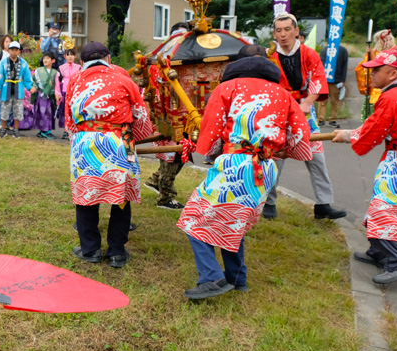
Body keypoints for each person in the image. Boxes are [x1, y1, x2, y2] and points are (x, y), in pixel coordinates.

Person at [176, 50, 313, 299]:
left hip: (236, 163)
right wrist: (281, 151)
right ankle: (237, 279)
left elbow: (210, 131)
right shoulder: (284, 95)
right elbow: (300, 137)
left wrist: (207, 151)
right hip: (265, 166)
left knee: (194, 217)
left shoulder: (227, 88)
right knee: (234, 219)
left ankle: (211, 278)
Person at [329, 49, 397, 284]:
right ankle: (379, 251)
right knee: (385, 204)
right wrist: (350, 133)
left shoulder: (392, 96)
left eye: (377, 70)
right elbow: (379, 125)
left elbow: (374, 130)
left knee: (387, 209)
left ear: (392, 73)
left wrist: (348, 135)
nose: (372, 74)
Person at [64, 41, 155, 269]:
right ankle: (117, 252)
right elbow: (142, 117)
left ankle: (91, 249)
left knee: (86, 196)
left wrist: (81, 138)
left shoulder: (75, 80)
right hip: (120, 142)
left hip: (86, 141)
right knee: (121, 198)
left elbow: (69, 121)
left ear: (82, 62)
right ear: (109, 59)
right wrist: (137, 136)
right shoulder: (125, 80)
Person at [264, 13, 347, 221]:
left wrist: (308, 103)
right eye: (278, 30)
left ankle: (323, 204)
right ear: (274, 33)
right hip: (278, 112)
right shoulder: (269, 55)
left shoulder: (309, 54)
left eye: (287, 29)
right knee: (274, 159)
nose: (283, 34)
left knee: (317, 157)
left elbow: (318, 81)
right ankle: (269, 202)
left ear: (296, 31)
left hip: (304, 110)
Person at [144, 22, 200, 211]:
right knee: (174, 156)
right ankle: (165, 196)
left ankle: (155, 180)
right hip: (171, 117)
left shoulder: (183, 58)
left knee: (182, 154)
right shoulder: (163, 60)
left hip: (183, 117)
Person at [0, 41, 33, 139]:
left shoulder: (23, 63)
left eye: (16, 50)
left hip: (19, 89)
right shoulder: (3, 62)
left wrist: (30, 87)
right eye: (12, 50)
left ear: (19, 52)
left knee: (18, 111)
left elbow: (27, 76)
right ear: (9, 51)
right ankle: (3, 129)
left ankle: (16, 130)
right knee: (4, 110)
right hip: (6, 89)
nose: (14, 52)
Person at [318, 43, 349, 128]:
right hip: (325, 80)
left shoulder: (343, 51)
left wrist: (343, 80)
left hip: (336, 80)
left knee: (334, 101)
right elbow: (320, 64)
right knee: (322, 101)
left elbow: (344, 66)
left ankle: (333, 119)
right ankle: (321, 119)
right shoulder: (325, 50)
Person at [33, 52, 61, 139]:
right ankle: (44, 131)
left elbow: (57, 85)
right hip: (41, 94)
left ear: (53, 61)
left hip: (51, 96)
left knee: (50, 113)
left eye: (48, 58)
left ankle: (46, 130)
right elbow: (33, 81)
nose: (45, 60)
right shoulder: (38, 71)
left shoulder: (56, 72)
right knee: (42, 113)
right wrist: (34, 87)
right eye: (44, 58)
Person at [0, 35, 14, 133]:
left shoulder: (14, 55)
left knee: (10, 104)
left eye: (9, 41)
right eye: (6, 41)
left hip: (12, 83)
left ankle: (8, 123)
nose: (8, 44)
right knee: (0, 103)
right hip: (2, 82)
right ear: (3, 43)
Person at [57, 48, 81, 140]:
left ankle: (74, 130)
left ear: (75, 56)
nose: (70, 57)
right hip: (64, 92)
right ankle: (65, 130)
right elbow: (57, 82)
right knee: (64, 111)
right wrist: (58, 93)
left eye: (72, 55)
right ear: (64, 56)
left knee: (74, 111)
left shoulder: (79, 68)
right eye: (68, 55)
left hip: (75, 93)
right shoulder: (61, 68)